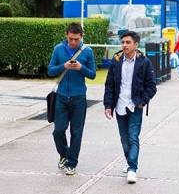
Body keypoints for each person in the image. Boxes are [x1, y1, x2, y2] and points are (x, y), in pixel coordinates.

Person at [103, 31, 157, 184]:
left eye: (128, 42)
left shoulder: (144, 62)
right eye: (123, 42)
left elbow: (151, 86)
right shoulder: (116, 60)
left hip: (135, 106)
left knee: (133, 137)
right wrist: (108, 105)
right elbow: (110, 85)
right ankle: (130, 162)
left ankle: (132, 168)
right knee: (124, 139)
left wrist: (142, 101)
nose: (124, 45)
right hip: (120, 105)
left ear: (136, 45)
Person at [48, 22, 96, 176]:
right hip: (61, 97)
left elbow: (93, 74)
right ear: (66, 36)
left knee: (76, 132)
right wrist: (64, 66)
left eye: (76, 39)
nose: (73, 42)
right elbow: (50, 71)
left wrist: (81, 68)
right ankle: (64, 154)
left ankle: (72, 163)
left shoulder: (87, 51)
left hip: (79, 98)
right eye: (70, 39)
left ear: (81, 36)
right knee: (58, 131)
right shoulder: (58, 49)